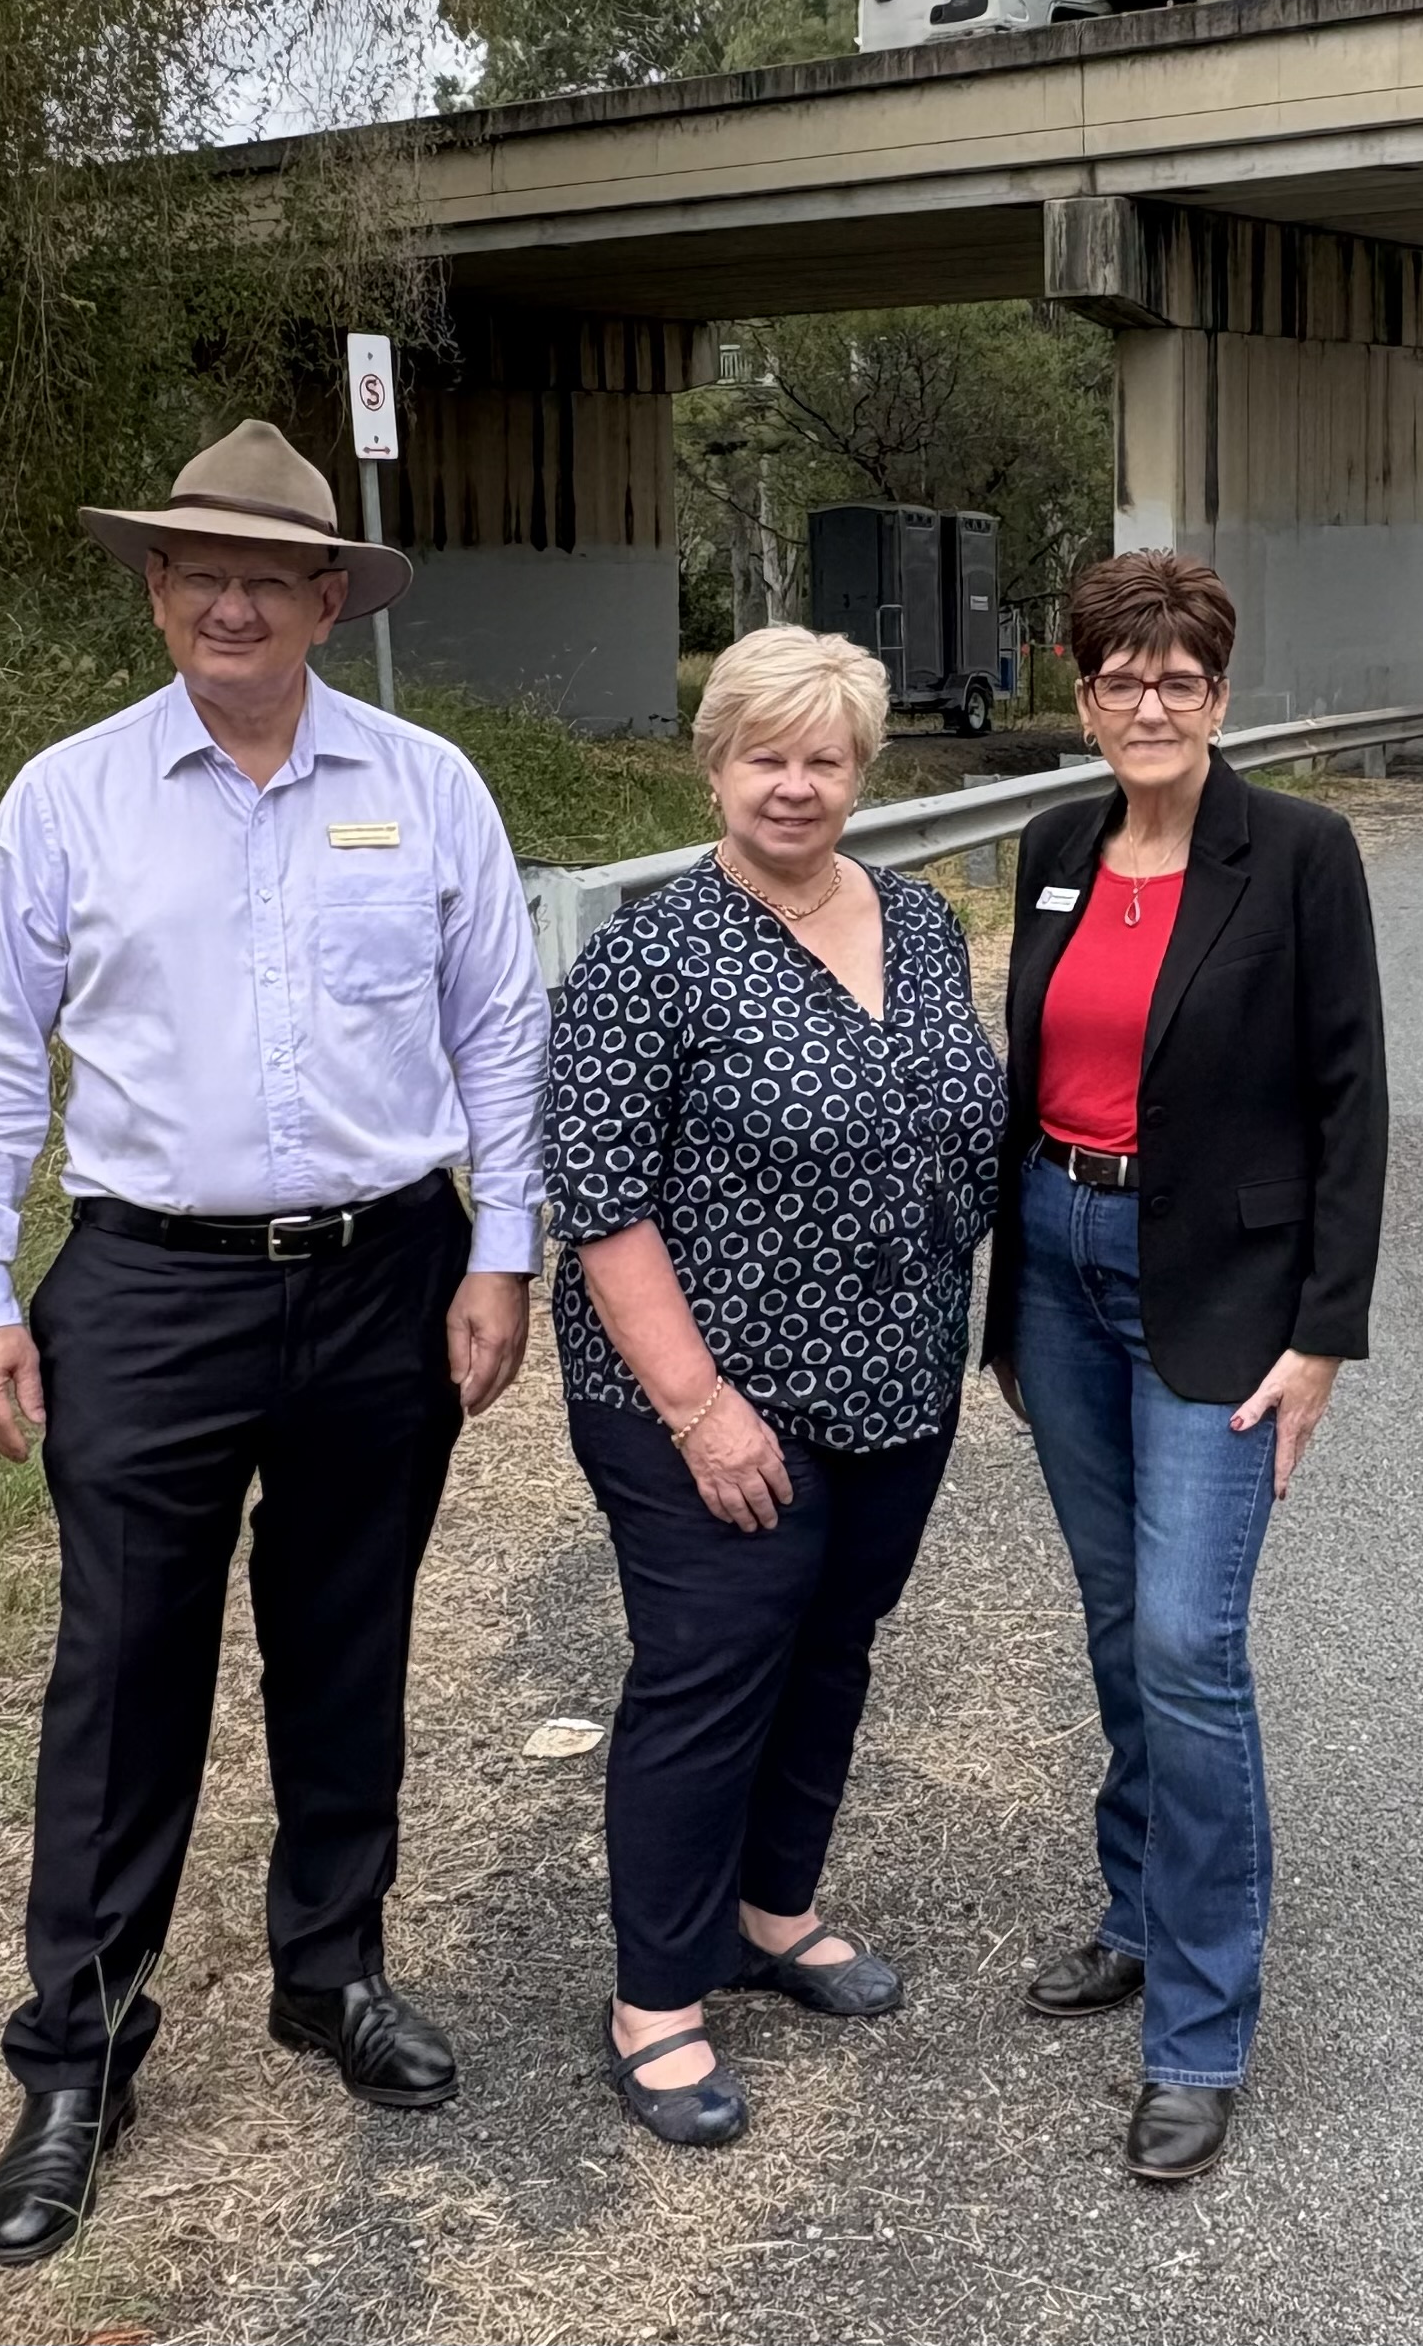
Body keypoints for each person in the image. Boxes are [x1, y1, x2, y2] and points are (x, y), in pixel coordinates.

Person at [0, 421, 548, 2270]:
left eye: (268, 572)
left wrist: (497, 1255)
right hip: (147, 1285)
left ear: (330, 600)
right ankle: (77, 2058)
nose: (228, 597)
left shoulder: (427, 789)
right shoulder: (68, 799)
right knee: (123, 1675)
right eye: (195, 568)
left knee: (346, 1640)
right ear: (154, 587)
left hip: (383, 1271)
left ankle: (329, 1972)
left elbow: (499, 1033)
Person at [544, 626, 1003, 2148]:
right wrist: (699, 1406)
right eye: (764, 756)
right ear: (716, 766)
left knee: (832, 1650)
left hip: (893, 1382)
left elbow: (958, 1128)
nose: (792, 787)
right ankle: (654, 2000)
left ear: (862, 770)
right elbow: (599, 1197)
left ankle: (770, 1911)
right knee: (709, 1672)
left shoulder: (924, 926)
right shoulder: (652, 955)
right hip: (702, 1395)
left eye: (822, 758)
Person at [985, 551, 1387, 2184]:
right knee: (1107, 1619)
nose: (1147, 704)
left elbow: (1353, 1102)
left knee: (1184, 1639)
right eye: (1116, 677)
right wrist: (1011, 1304)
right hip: (1064, 1271)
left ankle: (1200, 2029)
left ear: (1218, 698)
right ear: (1079, 696)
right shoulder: (1054, 844)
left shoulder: (1296, 854)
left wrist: (1322, 1336)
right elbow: (1024, 1082)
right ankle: (1137, 1908)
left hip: (1220, 1296)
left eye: (1180, 679)